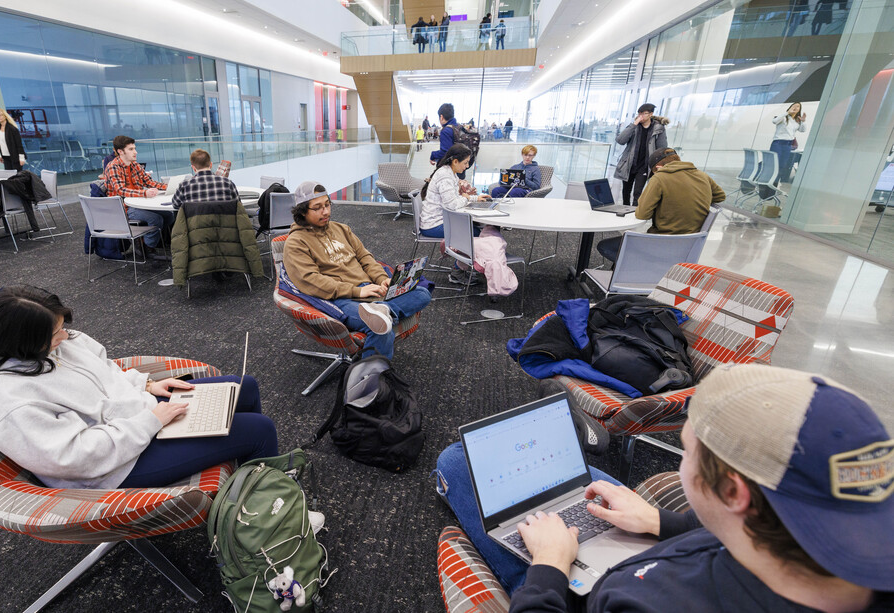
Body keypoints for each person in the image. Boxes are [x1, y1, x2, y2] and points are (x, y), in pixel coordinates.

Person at [505, 363, 894, 611]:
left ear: (731, 492)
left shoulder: (646, 602)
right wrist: (659, 520)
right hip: (655, 546)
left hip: (572, 592)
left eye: (686, 450)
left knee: (458, 462)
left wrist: (548, 567)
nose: (682, 458)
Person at [0, 285, 280, 491]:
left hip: (140, 420)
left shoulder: (58, 346)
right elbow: (75, 457)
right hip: (113, 468)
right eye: (55, 334)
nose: (66, 338)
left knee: (244, 387)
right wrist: (152, 421)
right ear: (22, 343)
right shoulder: (8, 401)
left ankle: (244, 483)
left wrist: (147, 384)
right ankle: (273, 511)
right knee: (258, 430)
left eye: (62, 328)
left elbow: (105, 371)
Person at [282, 181, 431, 362]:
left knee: (422, 293)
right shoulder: (296, 242)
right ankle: (371, 379)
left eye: (327, 205)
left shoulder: (341, 229)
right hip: (342, 299)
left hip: (370, 289)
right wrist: (357, 291)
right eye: (318, 208)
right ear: (302, 211)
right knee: (380, 329)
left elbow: (365, 258)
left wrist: (382, 278)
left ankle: (383, 310)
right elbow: (310, 280)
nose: (326, 211)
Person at [596, 147, 724, 262]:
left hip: (660, 243)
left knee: (605, 246)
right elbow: (720, 196)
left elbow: (642, 214)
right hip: (687, 247)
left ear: (658, 168)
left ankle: (642, 269)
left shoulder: (660, 178)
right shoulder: (703, 176)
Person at [104, 134, 171, 257]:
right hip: (124, 208)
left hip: (139, 204)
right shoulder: (113, 167)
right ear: (120, 152)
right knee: (155, 219)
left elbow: (149, 182)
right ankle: (147, 247)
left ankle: (148, 240)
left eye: (134, 148)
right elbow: (121, 190)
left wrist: (171, 186)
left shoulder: (135, 165)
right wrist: (144, 193)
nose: (135, 152)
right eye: (131, 149)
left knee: (169, 215)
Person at [613, 103, 669, 208]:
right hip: (629, 164)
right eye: (639, 113)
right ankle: (625, 211)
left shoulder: (658, 129)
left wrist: (659, 165)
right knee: (626, 192)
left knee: (637, 193)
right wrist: (633, 125)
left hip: (644, 166)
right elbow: (620, 140)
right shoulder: (634, 127)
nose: (641, 116)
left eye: (644, 114)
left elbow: (662, 148)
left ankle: (634, 214)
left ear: (651, 114)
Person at [172, 148, 239, 208]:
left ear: (193, 168)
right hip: (224, 221)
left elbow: (175, 204)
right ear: (211, 165)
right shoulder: (227, 183)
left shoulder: (184, 185)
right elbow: (238, 204)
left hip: (195, 222)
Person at [770, 102, 807, 184]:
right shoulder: (784, 117)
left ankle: (775, 184)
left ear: (799, 110)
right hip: (778, 144)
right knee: (774, 165)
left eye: (798, 107)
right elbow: (774, 121)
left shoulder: (796, 121)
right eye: (794, 105)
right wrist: (787, 113)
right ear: (790, 107)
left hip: (788, 145)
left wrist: (803, 121)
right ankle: (767, 184)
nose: (796, 107)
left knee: (782, 166)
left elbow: (803, 130)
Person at [430, 103, 467, 178]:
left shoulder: (446, 131)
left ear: (441, 117)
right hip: (461, 169)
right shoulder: (459, 127)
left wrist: (433, 155)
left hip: (451, 171)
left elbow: (446, 153)